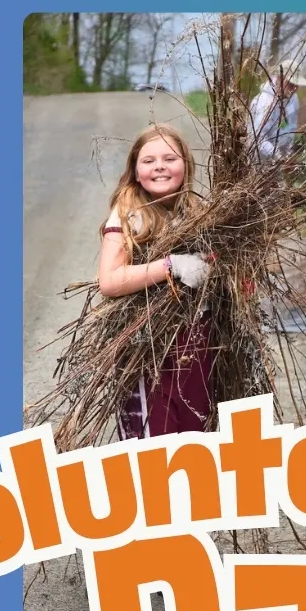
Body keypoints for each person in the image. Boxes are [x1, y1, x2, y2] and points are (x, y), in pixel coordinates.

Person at [89, 123, 218, 437]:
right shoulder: (128, 214)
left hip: (198, 349)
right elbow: (110, 280)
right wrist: (171, 266)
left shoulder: (198, 213)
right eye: (148, 160)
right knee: (153, 451)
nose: (160, 166)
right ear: (135, 171)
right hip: (148, 351)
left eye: (169, 158)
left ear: (185, 165)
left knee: (196, 447)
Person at [249, 61, 306, 160]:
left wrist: (288, 154)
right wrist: (278, 156)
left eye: (296, 85)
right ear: (279, 78)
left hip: (279, 162)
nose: (294, 88)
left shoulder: (293, 99)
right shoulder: (264, 102)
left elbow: (291, 128)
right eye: (290, 84)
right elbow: (257, 138)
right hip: (259, 162)